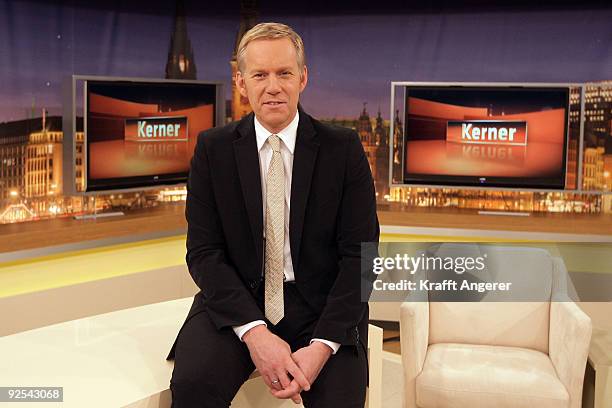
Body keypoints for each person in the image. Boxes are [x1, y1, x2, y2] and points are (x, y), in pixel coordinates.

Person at [167, 22, 379, 407]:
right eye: (259, 75)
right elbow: (203, 253)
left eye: (284, 73)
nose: (273, 86)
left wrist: (322, 347)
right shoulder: (212, 150)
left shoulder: (343, 149)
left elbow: (361, 259)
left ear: (303, 78)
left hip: (323, 307)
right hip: (238, 302)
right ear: (241, 81)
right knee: (194, 386)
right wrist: (255, 333)